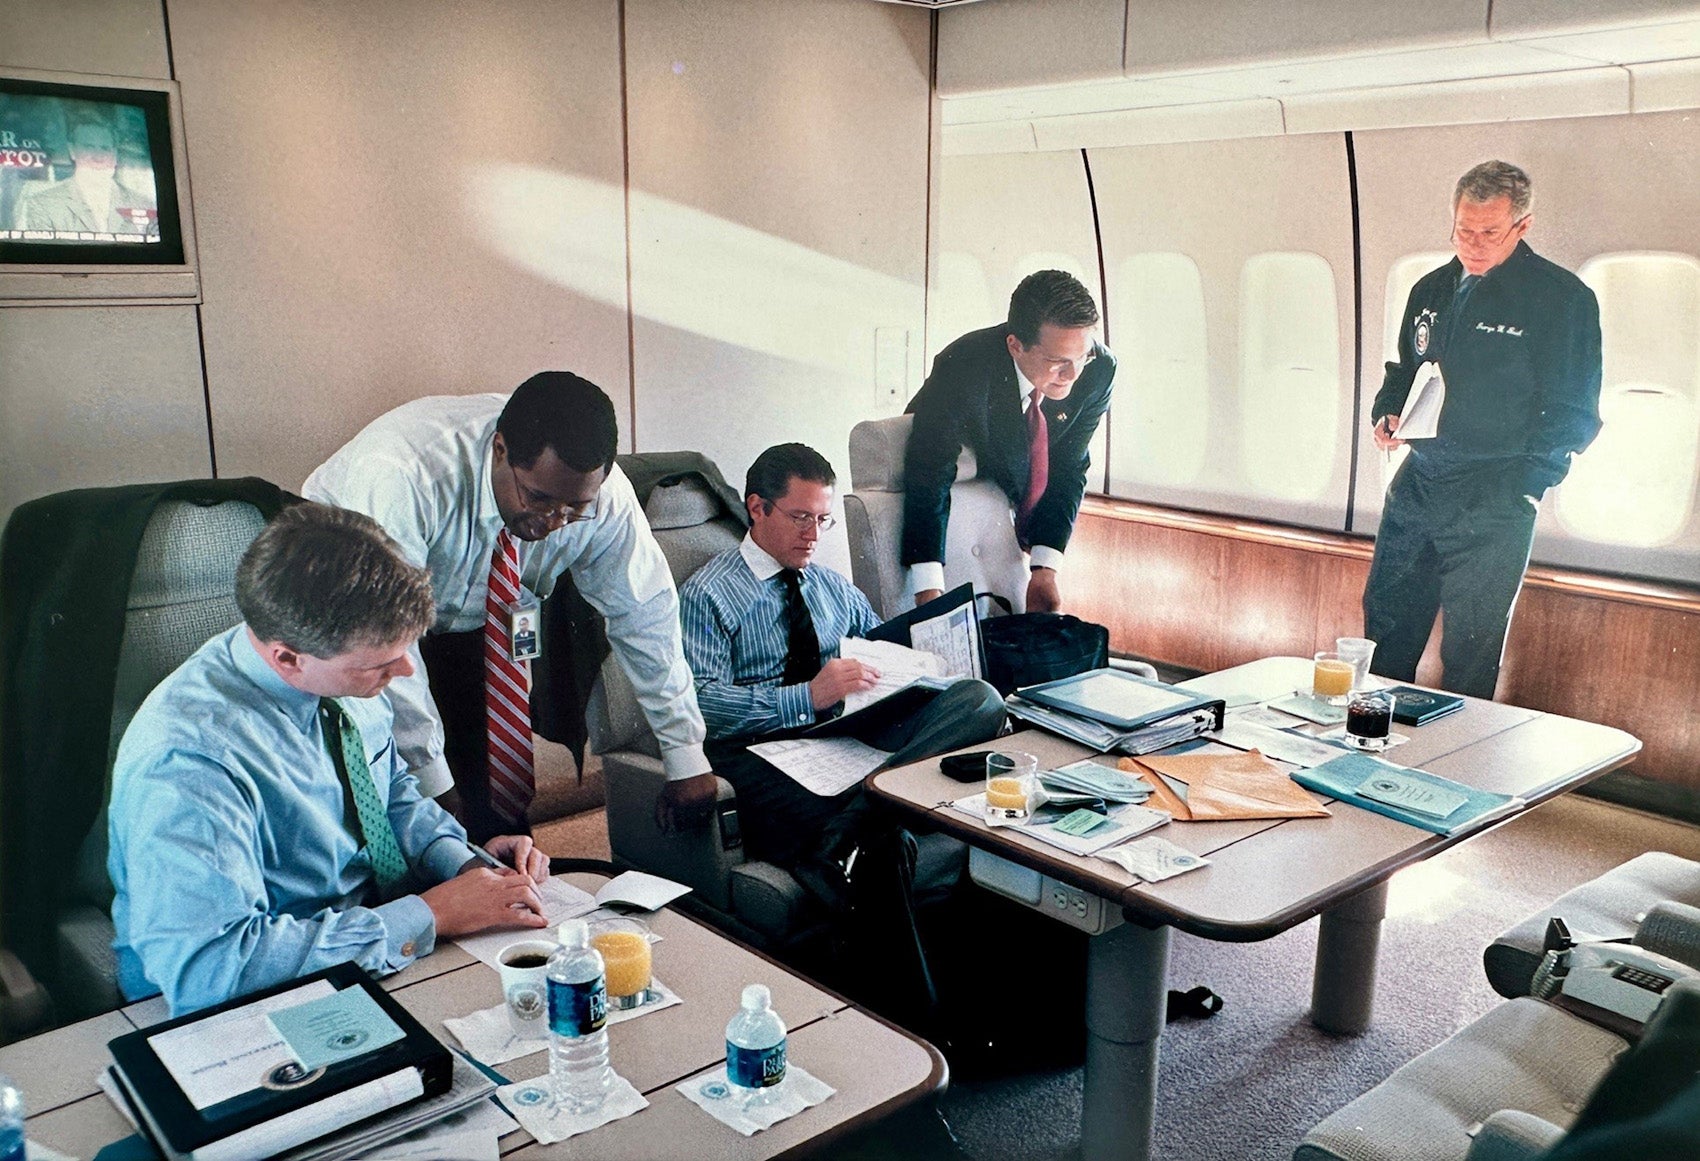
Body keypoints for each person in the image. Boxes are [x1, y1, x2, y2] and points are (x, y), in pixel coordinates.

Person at [109, 503, 551, 1016]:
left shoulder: (339, 674)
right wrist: (431, 912)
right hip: (245, 1002)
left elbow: (389, 797)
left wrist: (467, 864)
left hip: (372, 945)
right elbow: (214, 970)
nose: (405, 672)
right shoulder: (187, 761)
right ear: (288, 659)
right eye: (383, 664)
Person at [303, 373, 716, 843]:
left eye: (573, 508)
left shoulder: (603, 497)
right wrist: (430, 782)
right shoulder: (401, 475)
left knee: (491, 818)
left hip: (478, 617)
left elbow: (645, 614)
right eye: (538, 498)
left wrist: (685, 754)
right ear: (499, 450)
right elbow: (381, 640)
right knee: (399, 811)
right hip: (345, 607)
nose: (554, 522)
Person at [679, 443, 1005, 895]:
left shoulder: (832, 587)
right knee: (889, 842)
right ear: (757, 508)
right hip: (760, 750)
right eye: (800, 517)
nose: (814, 534)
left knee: (980, 699)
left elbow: (883, 653)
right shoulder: (708, 594)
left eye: (822, 519)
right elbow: (701, 702)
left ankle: (855, 823)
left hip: (843, 733)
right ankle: (869, 821)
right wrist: (807, 697)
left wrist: (921, 665)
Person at [1364, 160, 1602, 700]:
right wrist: (1388, 413)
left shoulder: (1561, 299)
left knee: (1470, 650)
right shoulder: (1431, 288)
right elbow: (1406, 370)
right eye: (1462, 230)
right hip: (1420, 482)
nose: (1472, 243)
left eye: (1488, 233)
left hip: (1494, 493)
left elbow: (1573, 408)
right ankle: (1370, 756)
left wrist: (1525, 485)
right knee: (1386, 630)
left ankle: (1454, 774)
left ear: (1523, 226)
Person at [902, 269, 1116, 614]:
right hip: (940, 494)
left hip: (1016, 482)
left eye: (1081, 356)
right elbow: (931, 470)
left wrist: (1045, 569)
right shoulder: (965, 364)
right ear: (1015, 346)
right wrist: (928, 591)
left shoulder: (1099, 369)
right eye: (1058, 361)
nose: (1073, 375)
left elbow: (1070, 466)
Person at [19, 120, 156, 238]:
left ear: (114, 155)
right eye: (88, 147)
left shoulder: (144, 204)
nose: (98, 156)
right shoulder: (42, 204)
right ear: (72, 151)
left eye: (105, 148)